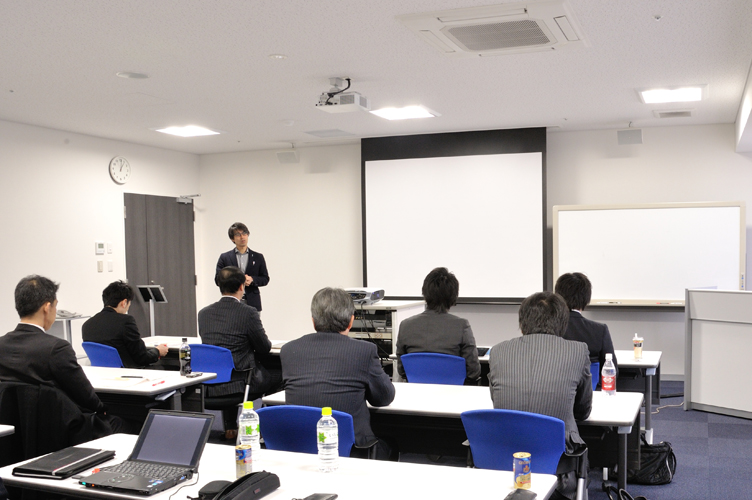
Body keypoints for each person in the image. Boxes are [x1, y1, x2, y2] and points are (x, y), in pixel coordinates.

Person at [488, 291, 592, 500]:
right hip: (558, 467)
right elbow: (583, 410)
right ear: (563, 324)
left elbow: (496, 401)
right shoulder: (578, 351)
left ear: (522, 322)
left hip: (502, 460)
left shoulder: (498, 351)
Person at [0, 275, 127, 434]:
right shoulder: (56, 348)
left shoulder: (2, 345)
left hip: (13, 434)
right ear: (47, 307)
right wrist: (102, 408)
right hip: (59, 431)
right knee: (122, 423)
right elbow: (85, 395)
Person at [280, 287, 396, 460]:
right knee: (391, 445)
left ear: (313, 321)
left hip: (299, 447)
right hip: (352, 449)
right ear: (351, 321)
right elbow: (384, 397)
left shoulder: (289, 350)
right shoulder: (364, 351)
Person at [198, 266, 281, 438]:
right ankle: (267, 430)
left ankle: (230, 427)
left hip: (209, 386)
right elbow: (264, 348)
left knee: (230, 365)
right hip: (240, 385)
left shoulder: (203, 314)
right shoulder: (248, 312)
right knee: (280, 375)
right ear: (242, 286)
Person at [396, 267, 480, 384]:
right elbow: (473, 371)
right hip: (454, 393)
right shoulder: (462, 326)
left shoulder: (406, 325)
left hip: (417, 392)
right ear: (453, 297)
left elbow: (402, 370)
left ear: (424, 293)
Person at [82, 280, 168, 368]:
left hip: (101, 373)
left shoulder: (87, 325)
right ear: (124, 303)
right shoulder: (125, 321)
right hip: (127, 373)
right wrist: (157, 351)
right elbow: (142, 358)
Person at [555, 272, 618, 383]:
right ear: (587, 299)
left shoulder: (550, 328)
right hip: (591, 391)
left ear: (557, 297)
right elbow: (612, 372)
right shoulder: (599, 330)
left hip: (555, 390)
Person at [215, 222, 269, 312]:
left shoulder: (258, 257)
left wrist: (252, 280)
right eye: (238, 234)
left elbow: (265, 278)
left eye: (244, 233)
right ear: (232, 239)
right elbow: (218, 280)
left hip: (252, 301)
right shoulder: (225, 257)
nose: (242, 237)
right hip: (232, 301)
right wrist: (236, 280)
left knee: (253, 321)